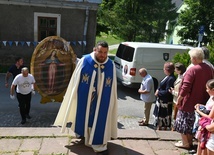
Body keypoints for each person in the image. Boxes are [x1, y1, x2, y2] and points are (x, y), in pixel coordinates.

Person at [54, 41, 118, 154]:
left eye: (105, 52)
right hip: (84, 98)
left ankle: (98, 143)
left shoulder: (110, 65)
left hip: (103, 100)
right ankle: (84, 135)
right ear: (95, 50)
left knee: (99, 118)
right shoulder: (85, 61)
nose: (103, 55)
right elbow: (75, 80)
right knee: (84, 116)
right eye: (100, 52)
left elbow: (112, 87)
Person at [174, 47, 213, 149]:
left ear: (195, 58)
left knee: (182, 123)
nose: (190, 59)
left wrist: (179, 100)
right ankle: (189, 142)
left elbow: (185, 87)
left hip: (189, 102)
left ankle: (186, 143)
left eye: (191, 58)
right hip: (202, 102)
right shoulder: (209, 68)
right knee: (192, 124)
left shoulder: (193, 69)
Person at [153, 62, 176, 130]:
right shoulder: (167, 76)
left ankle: (163, 130)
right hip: (161, 101)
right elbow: (161, 85)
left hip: (165, 102)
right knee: (160, 118)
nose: (163, 69)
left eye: (164, 68)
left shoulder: (171, 78)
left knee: (163, 118)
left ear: (167, 69)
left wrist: (158, 92)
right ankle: (159, 127)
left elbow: (167, 91)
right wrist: (158, 89)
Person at [194, 79, 214, 155]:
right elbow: (208, 108)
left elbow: (210, 116)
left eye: (207, 89)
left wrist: (198, 110)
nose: (206, 90)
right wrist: (201, 106)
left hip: (208, 125)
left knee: (204, 145)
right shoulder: (211, 97)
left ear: (213, 90)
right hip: (204, 124)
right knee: (200, 142)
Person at [169, 62, 186, 130]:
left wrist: (172, 91)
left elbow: (180, 93)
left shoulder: (182, 79)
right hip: (175, 99)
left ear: (179, 70)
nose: (174, 70)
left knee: (176, 115)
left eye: (175, 69)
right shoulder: (178, 77)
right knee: (174, 115)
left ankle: (175, 128)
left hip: (178, 100)